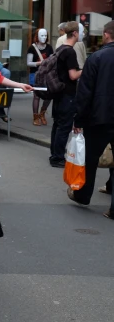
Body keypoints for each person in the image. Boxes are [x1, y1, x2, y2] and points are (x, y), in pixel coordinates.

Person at [69, 21, 114, 218]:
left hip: (99, 117)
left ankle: (83, 195)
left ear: (106, 35)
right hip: (102, 116)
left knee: (91, 159)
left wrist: (79, 120)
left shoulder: (96, 57)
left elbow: (85, 93)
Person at [49, 21, 82, 168]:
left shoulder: (60, 49)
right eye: (80, 32)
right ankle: (57, 157)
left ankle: (54, 154)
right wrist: (86, 69)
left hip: (58, 93)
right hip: (67, 94)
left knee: (57, 124)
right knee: (64, 126)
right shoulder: (70, 51)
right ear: (74, 33)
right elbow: (73, 75)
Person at [26, 28, 54, 126]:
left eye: (45, 35)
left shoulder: (49, 47)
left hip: (47, 74)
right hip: (35, 74)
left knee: (49, 95)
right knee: (36, 96)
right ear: (37, 36)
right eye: (42, 35)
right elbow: (28, 63)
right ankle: (35, 116)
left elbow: (52, 60)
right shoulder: (32, 48)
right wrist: (39, 63)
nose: (44, 37)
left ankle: (42, 113)